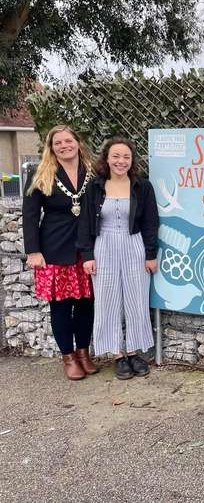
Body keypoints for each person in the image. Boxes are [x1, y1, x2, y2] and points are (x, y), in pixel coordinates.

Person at [77, 136, 159, 380]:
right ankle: (116, 355)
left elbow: (151, 223)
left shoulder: (142, 186)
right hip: (104, 245)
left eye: (126, 156)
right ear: (107, 159)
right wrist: (88, 255)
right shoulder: (95, 187)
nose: (121, 161)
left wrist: (151, 254)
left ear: (132, 160)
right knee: (108, 300)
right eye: (116, 156)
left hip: (134, 244)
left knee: (136, 298)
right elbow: (85, 222)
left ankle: (133, 352)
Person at [22, 125, 98, 380]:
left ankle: (84, 353)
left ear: (78, 142)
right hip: (55, 248)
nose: (64, 146)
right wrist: (33, 250)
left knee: (87, 305)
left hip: (87, 248)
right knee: (62, 307)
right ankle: (68, 357)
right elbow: (30, 215)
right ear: (51, 148)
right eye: (58, 143)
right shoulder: (40, 172)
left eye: (68, 140)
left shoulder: (93, 171)